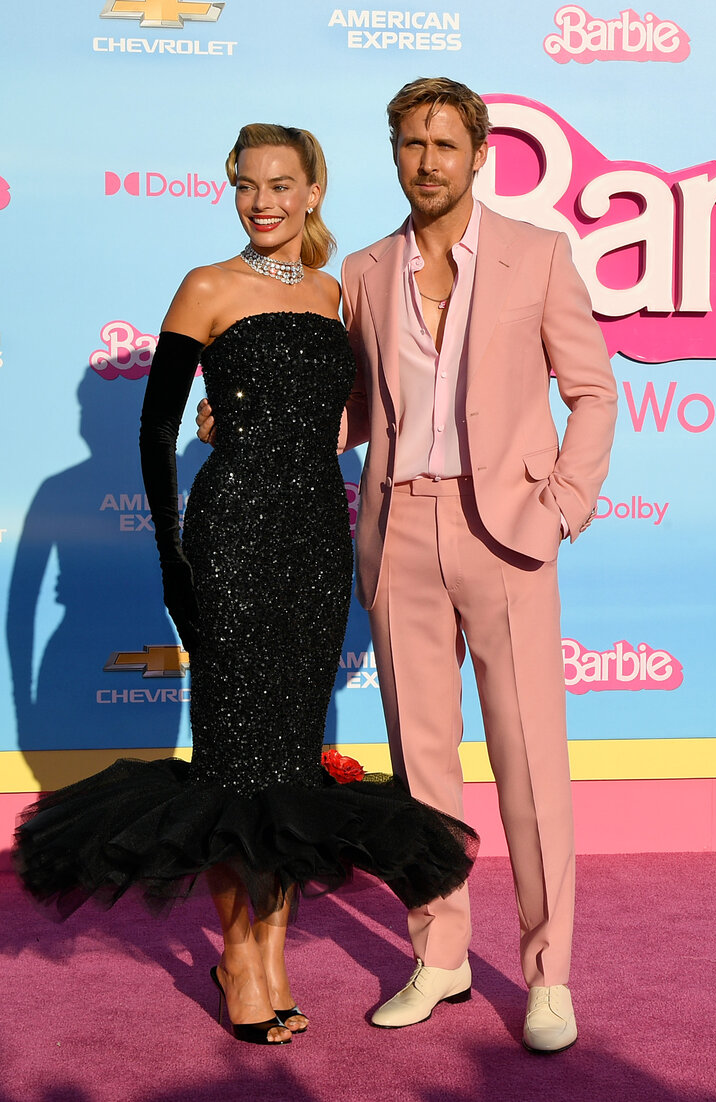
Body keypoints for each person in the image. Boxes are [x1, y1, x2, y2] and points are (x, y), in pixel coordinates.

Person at [12, 123, 478, 1046]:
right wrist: (171, 559)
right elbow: (155, 433)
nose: (262, 200)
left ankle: (262, 952)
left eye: (280, 184)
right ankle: (247, 961)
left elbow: (343, 413)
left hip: (313, 541)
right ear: (233, 193)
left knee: (286, 765)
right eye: (246, 185)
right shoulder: (206, 285)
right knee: (233, 761)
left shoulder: (335, 291)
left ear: (312, 191)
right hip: (228, 541)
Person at [198, 78, 619, 1053]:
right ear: (393, 156)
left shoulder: (537, 256)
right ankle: (442, 954)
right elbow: (349, 412)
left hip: (508, 532)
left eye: (443, 143)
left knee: (530, 770)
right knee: (422, 772)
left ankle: (549, 973)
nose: (426, 161)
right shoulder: (367, 266)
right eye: (410, 145)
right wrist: (254, 423)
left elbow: (593, 392)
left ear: (479, 156)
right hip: (399, 534)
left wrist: (562, 505)